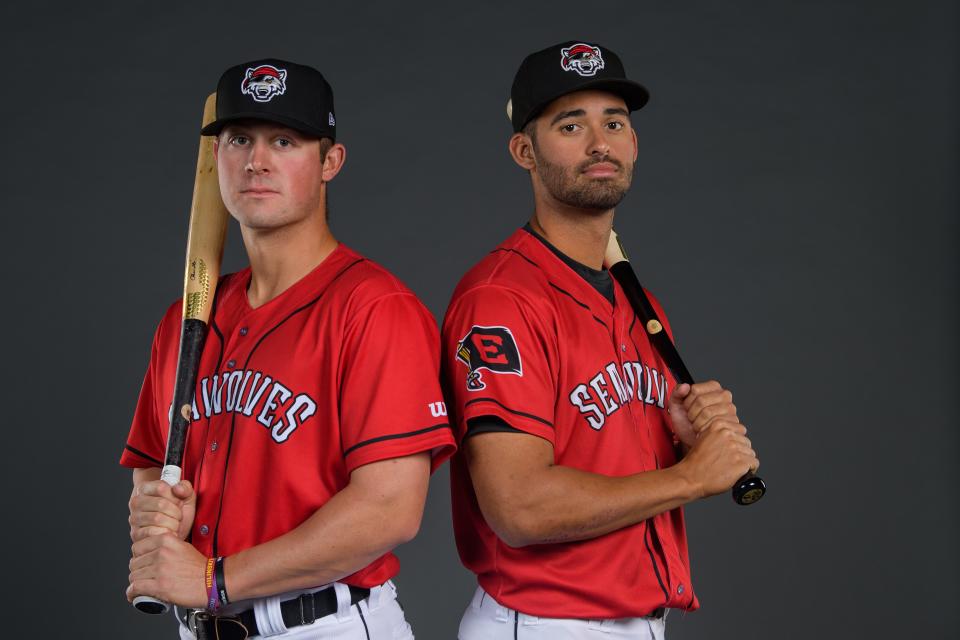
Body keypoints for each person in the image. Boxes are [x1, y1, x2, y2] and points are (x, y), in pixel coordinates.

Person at [121, 58, 455, 640]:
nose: (257, 161)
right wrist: (158, 504)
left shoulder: (375, 308)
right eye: (238, 140)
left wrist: (214, 579)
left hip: (328, 625)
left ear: (330, 161)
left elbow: (390, 509)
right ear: (215, 160)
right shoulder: (184, 320)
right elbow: (153, 463)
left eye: (284, 140)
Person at [440, 41, 760, 639]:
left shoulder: (637, 301)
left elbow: (609, 462)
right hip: (544, 624)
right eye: (570, 125)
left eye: (614, 123)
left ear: (634, 144)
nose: (599, 143)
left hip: (640, 621)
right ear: (524, 151)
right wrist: (691, 479)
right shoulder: (501, 300)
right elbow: (520, 506)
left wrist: (683, 447)